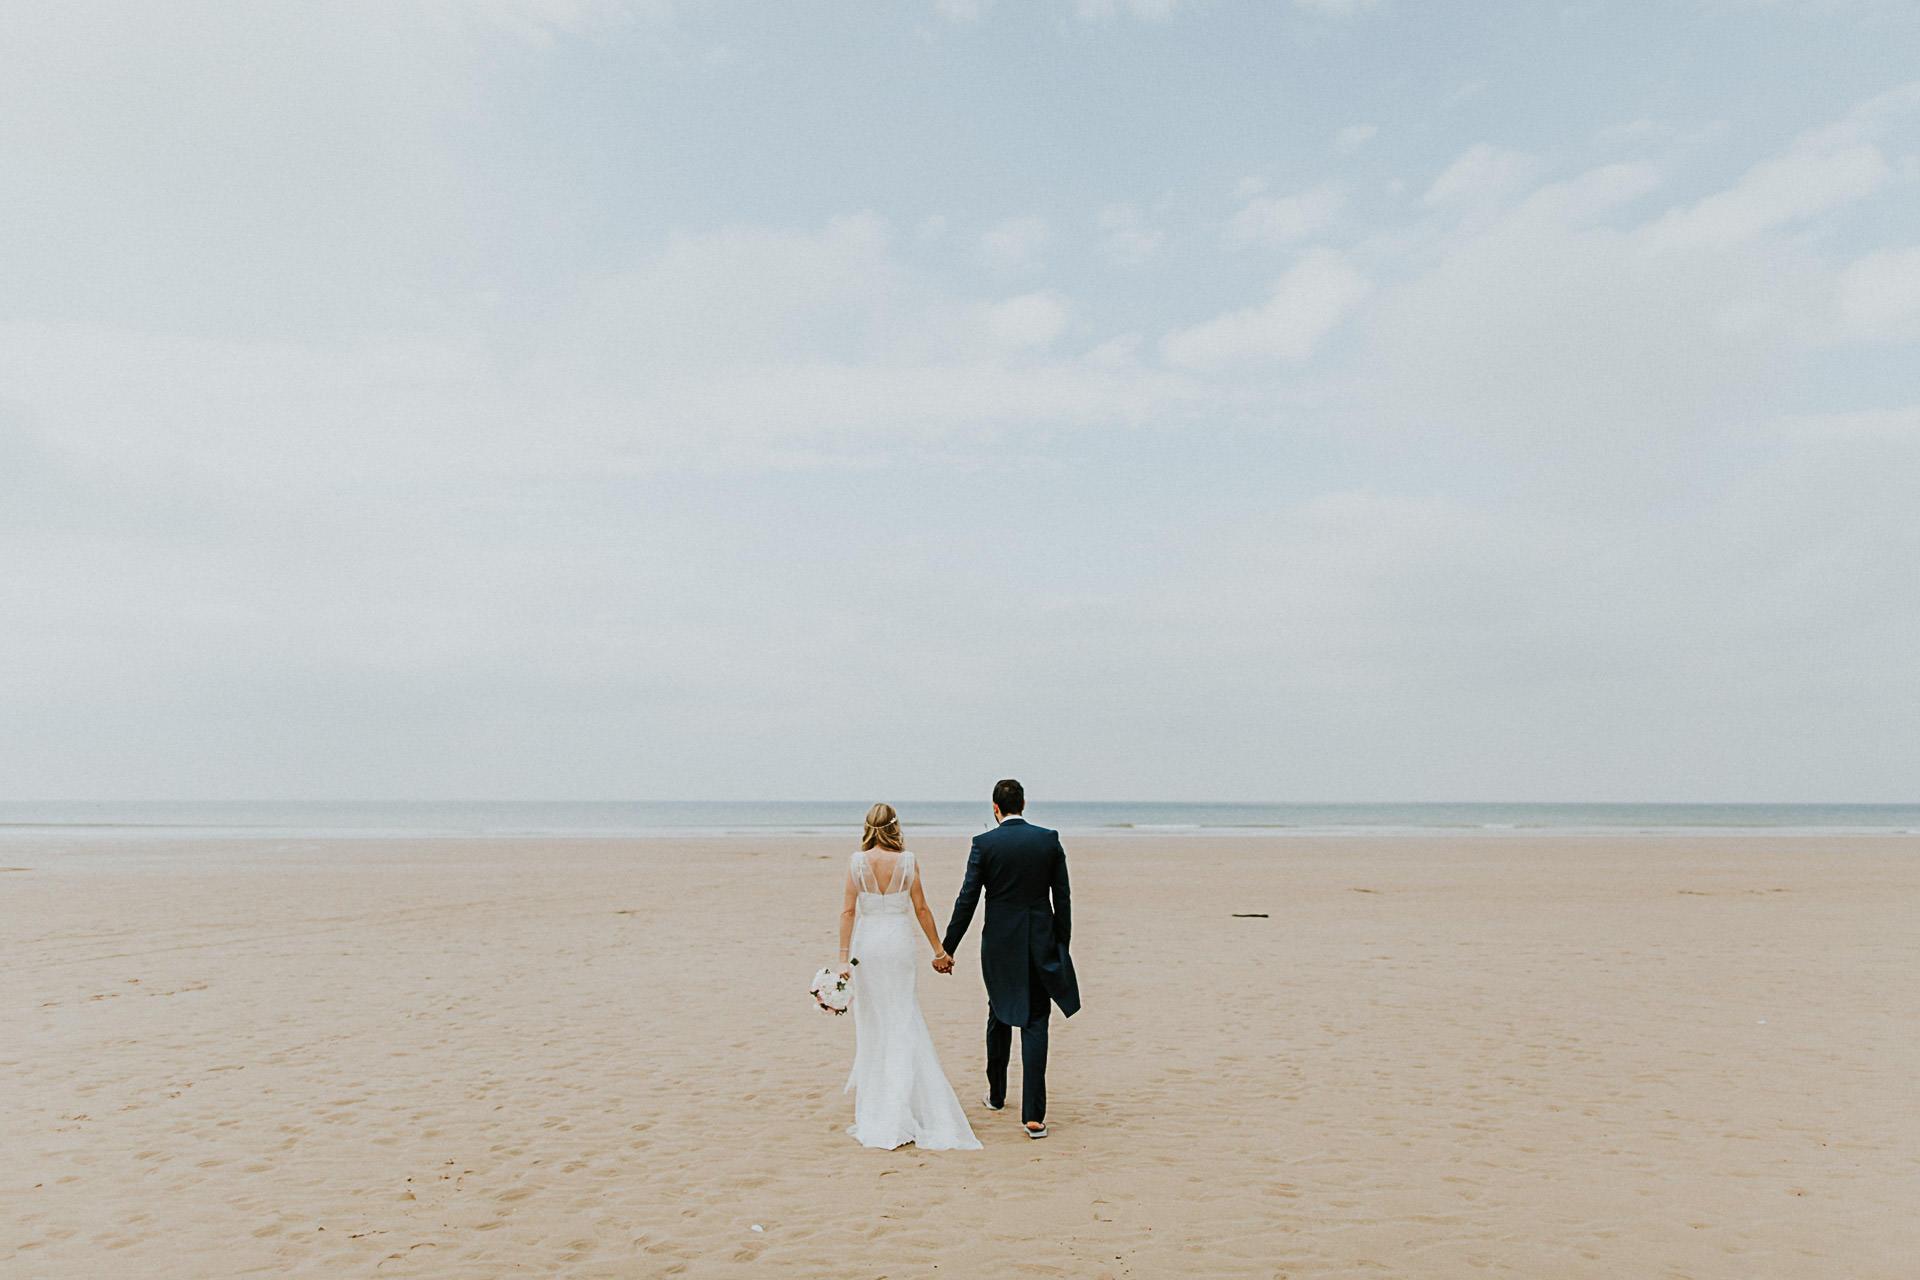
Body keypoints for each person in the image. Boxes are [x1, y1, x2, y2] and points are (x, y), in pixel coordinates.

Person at [938, 778, 1080, 1139]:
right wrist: (1061, 945)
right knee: (1035, 1021)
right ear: (1024, 804)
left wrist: (948, 946)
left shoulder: (984, 844)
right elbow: (1062, 898)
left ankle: (997, 1096)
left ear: (995, 808)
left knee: (999, 1012)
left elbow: (967, 899)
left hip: (999, 944)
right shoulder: (1048, 840)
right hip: (1039, 941)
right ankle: (1034, 1116)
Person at [835, 803, 980, 1151]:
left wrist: (842, 958)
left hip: (867, 946)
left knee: (875, 1023)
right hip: (898, 943)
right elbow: (922, 908)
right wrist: (939, 950)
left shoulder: (856, 862)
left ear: (868, 827)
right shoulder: (907, 861)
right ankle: (907, 1105)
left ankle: (882, 1110)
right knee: (902, 1018)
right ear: (895, 828)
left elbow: (849, 910)